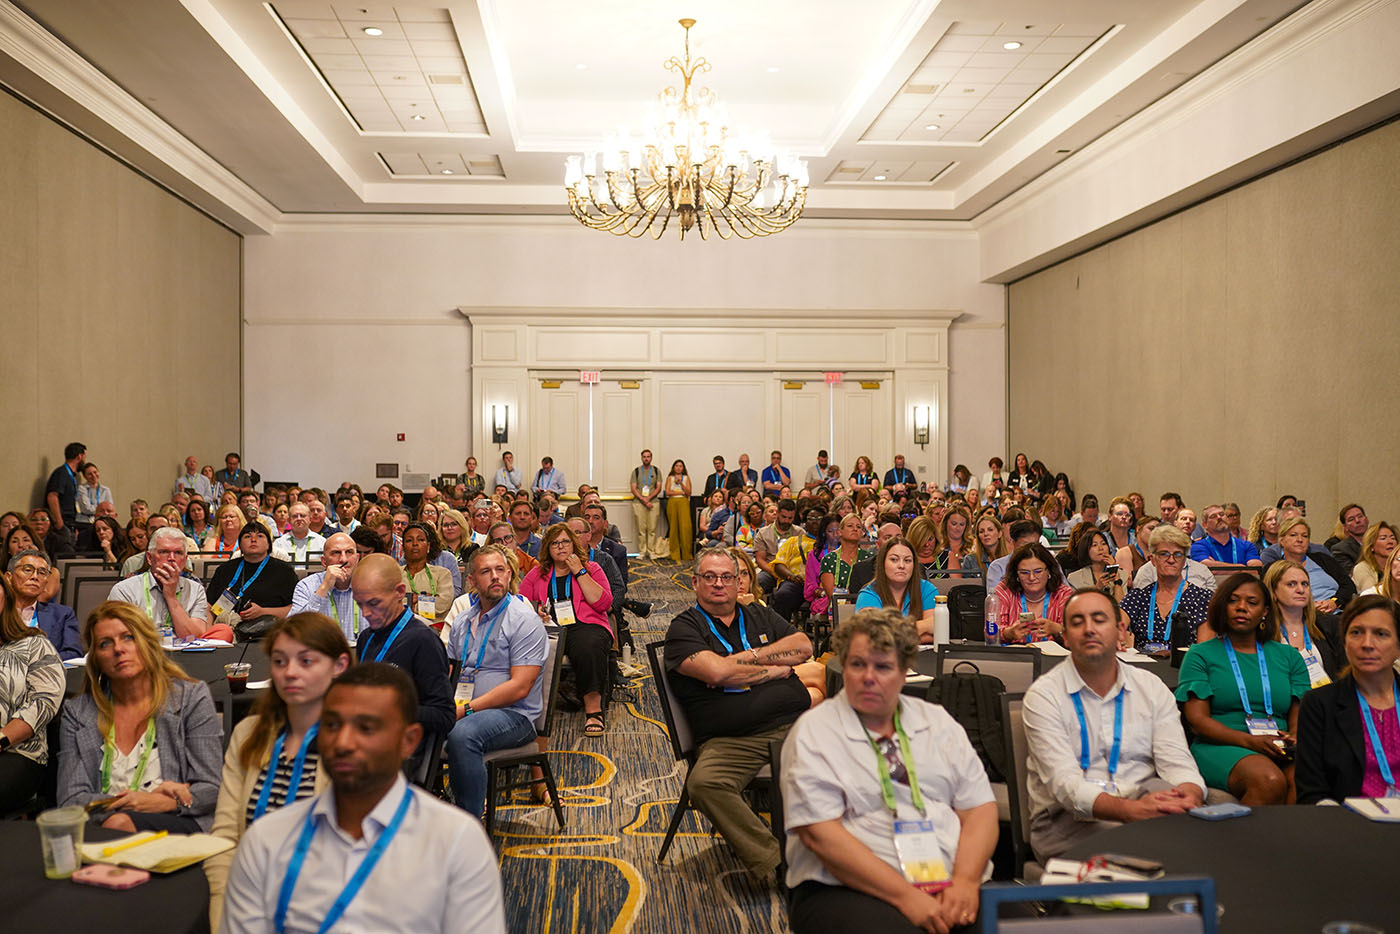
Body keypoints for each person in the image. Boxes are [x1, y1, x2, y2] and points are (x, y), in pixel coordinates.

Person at [219, 663, 506, 934]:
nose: (343, 742)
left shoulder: (455, 842)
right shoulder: (268, 839)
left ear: (409, 740)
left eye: (366, 728)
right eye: (331, 725)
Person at [782, 608, 996, 933]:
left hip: (947, 876)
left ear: (904, 671)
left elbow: (979, 808)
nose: (868, 677)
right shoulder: (814, 731)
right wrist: (906, 897)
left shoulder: (936, 721)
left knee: (1020, 922)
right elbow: (820, 835)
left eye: (883, 667)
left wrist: (966, 882)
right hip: (846, 888)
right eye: (857, 664)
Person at [664, 549, 814, 881]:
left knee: (858, 754)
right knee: (704, 784)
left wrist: (743, 663)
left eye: (727, 577)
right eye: (710, 577)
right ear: (695, 582)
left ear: (737, 581)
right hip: (731, 739)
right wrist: (775, 668)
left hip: (795, 724)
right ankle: (776, 861)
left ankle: (852, 853)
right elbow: (717, 673)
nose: (719, 584)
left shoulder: (758, 614)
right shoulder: (683, 628)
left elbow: (804, 646)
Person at [1023, 590, 1204, 861]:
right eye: (1077, 622)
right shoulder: (1044, 696)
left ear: (1120, 630)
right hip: (1069, 820)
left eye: (1099, 619)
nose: (1088, 629)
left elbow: (1176, 762)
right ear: (1065, 637)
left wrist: (1189, 795)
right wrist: (1130, 812)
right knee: (1156, 847)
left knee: (1204, 828)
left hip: (1145, 803)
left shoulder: (1151, 688)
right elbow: (1066, 786)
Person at [204, 614, 351, 929]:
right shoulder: (248, 735)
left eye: (306, 661)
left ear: (339, 666)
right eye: (280, 661)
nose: (290, 673)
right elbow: (225, 838)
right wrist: (226, 916)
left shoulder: (357, 745)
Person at [59, 600, 221, 831]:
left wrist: (167, 802)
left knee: (120, 823)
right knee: (118, 823)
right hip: (103, 826)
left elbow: (211, 789)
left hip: (180, 822)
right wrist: (133, 803)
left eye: (128, 637)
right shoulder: (78, 713)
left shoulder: (190, 699)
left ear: (146, 642)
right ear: (96, 659)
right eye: (105, 643)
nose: (118, 649)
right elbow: (71, 800)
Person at [1176, 574, 1310, 805]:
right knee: (1268, 779)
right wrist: (1251, 742)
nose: (1241, 608)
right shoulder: (1200, 655)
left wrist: (1295, 736)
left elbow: (1301, 710)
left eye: (1252, 602)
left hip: (1279, 745)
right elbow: (1198, 721)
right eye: (1233, 600)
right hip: (1221, 745)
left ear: (1265, 611)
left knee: (1304, 780)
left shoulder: (1289, 656)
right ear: (1222, 606)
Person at [444, 544, 548, 817]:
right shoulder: (463, 621)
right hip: (464, 708)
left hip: (514, 716)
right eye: (486, 571)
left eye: (500, 570)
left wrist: (465, 710)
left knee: (462, 735)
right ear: (472, 580)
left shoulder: (523, 619)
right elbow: (452, 673)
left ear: (510, 573)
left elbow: (519, 687)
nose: (495, 577)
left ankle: (471, 823)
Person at [1295, 596, 1400, 804]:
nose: (1367, 644)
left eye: (1380, 634)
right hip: (1348, 824)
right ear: (1344, 642)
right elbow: (1311, 791)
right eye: (1356, 633)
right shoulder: (1320, 704)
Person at [349, 555, 455, 754]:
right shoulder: (366, 637)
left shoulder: (423, 641)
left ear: (399, 592)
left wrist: (390, 709)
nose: (365, 613)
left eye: (373, 603)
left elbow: (444, 715)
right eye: (359, 604)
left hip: (401, 752)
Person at [519, 524, 612, 736]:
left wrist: (579, 571)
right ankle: (525, 708)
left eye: (565, 542)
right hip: (549, 625)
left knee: (587, 646)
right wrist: (536, 612)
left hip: (585, 624)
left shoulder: (591, 568)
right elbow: (521, 604)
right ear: (547, 548)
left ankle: (594, 710)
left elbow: (603, 604)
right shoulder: (537, 574)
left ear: (573, 543)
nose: (560, 547)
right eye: (555, 543)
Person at [0, 574, 65, 812]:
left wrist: (2, 738)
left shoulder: (34, 645)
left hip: (15, 752)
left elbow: (44, 702)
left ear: (5, 597)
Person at [108, 527, 234, 641]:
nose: (171, 558)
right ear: (149, 558)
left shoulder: (195, 590)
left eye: (178, 553)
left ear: (185, 560)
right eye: (164, 552)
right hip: (142, 657)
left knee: (224, 631)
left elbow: (194, 637)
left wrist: (171, 597)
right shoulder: (124, 590)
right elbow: (119, 638)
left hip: (187, 659)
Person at [1119, 526, 1213, 655]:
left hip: (1183, 667)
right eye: (1164, 554)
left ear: (1184, 561)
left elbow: (1205, 651)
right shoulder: (1138, 597)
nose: (1171, 560)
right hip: (1142, 668)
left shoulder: (1202, 598)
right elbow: (1114, 629)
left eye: (1178, 554)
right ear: (1152, 559)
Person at [207, 524, 299, 635]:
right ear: (240, 544)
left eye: (260, 536)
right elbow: (209, 606)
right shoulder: (225, 569)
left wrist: (263, 612)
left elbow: (295, 609)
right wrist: (206, 634)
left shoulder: (284, 571)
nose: (253, 540)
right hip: (227, 630)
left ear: (268, 544)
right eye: (247, 536)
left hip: (270, 633)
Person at [1263, 560, 1342, 686]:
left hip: (1327, 700)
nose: (1301, 590)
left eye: (1305, 584)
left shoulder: (1330, 624)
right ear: (1274, 591)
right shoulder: (1262, 630)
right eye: (1291, 584)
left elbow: (1345, 672)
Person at [988, 543, 1073, 645]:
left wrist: (1057, 629)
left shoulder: (1064, 593)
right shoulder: (1003, 591)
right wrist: (1008, 633)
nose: (1032, 578)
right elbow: (990, 633)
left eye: (1038, 571)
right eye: (1024, 573)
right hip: (1014, 657)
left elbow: (1076, 636)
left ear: (1049, 572)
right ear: (1016, 575)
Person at [855, 538, 938, 640]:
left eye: (907, 560)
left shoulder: (927, 589)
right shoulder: (868, 594)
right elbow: (876, 637)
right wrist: (922, 627)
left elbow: (936, 631)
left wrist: (893, 632)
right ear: (883, 563)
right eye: (894, 560)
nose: (901, 566)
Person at [1267, 516, 1355, 612]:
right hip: (1300, 616)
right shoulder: (1273, 569)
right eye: (1293, 535)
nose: (1300, 539)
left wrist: (1334, 602)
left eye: (1304, 536)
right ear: (1282, 540)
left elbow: (1348, 586)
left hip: (1337, 612)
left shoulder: (1323, 559)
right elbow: (1270, 598)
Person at [6, 550, 82, 659]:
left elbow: (73, 654)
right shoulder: (2, 612)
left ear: (46, 582)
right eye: (28, 570)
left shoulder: (62, 615)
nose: (35, 577)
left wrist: (37, 662)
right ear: (9, 577)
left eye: (42, 573)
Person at [290, 532, 363, 643]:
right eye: (336, 553)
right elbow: (292, 631)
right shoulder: (305, 586)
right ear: (324, 561)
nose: (343, 559)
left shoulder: (370, 586)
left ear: (357, 558)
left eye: (349, 552)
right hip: (320, 655)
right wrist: (324, 588)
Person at [1064, 529, 1127, 605]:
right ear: (1086, 550)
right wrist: (1097, 588)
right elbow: (1077, 606)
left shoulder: (1122, 575)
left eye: (1103, 544)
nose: (1101, 548)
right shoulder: (1074, 578)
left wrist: (1117, 580)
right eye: (1095, 545)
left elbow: (1122, 607)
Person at [1191, 504, 1262, 568]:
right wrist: (1241, 567)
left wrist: (1215, 565)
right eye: (1213, 516)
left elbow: (1256, 569)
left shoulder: (1246, 545)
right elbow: (1205, 566)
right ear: (1205, 525)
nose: (1219, 517)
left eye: (1222, 514)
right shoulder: (1198, 546)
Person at [754, 499, 802, 594]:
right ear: (777, 513)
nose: (786, 521)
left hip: (793, 572)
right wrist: (775, 572)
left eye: (790, 518)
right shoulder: (763, 533)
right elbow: (760, 560)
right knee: (758, 582)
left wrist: (789, 575)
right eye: (784, 517)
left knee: (787, 592)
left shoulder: (800, 533)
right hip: (770, 570)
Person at [984, 520, 1043, 594]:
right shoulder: (998, 567)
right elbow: (994, 599)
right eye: (1025, 545)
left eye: (1035, 545)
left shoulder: (1049, 563)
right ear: (1013, 542)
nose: (1030, 550)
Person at [45, 441, 87, 539]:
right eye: (85, 457)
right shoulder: (61, 473)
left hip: (70, 523)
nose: (84, 462)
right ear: (79, 456)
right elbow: (52, 496)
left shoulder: (71, 476)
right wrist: (59, 522)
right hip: (62, 524)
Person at [848, 521, 903, 596]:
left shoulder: (916, 568)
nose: (893, 541)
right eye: (888, 538)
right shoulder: (860, 571)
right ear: (877, 545)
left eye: (898, 537)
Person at [630, 449, 663, 561]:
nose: (646, 458)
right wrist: (643, 500)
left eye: (648, 456)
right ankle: (642, 551)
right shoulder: (636, 471)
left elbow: (658, 487)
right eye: (644, 456)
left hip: (653, 503)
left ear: (651, 458)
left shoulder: (656, 471)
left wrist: (648, 499)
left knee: (652, 529)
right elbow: (633, 488)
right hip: (638, 503)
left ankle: (651, 551)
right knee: (641, 529)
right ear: (641, 458)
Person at [1352, 522, 1397, 594]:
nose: (1390, 542)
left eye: (1393, 538)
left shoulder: (1397, 566)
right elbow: (1371, 597)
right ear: (1371, 546)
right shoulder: (1362, 568)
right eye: (1383, 538)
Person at [1326, 503, 1370, 574]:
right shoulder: (1340, 549)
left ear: (1367, 519)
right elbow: (1351, 576)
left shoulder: (1378, 542)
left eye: (1360, 516)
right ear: (1345, 527)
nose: (1357, 521)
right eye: (1351, 519)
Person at [664, 458, 693, 561]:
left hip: (683, 503)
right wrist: (680, 493)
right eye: (676, 466)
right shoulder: (670, 478)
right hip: (672, 502)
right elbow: (667, 492)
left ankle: (686, 554)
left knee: (685, 528)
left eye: (680, 466)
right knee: (673, 528)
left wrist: (681, 483)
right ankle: (674, 554)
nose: (678, 468)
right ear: (673, 467)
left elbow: (689, 492)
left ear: (683, 468)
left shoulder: (686, 478)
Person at [75, 461, 113, 538]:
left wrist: (99, 510)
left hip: (103, 523)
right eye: (89, 474)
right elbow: (86, 509)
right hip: (85, 523)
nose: (93, 475)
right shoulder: (81, 489)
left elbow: (110, 509)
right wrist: (101, 510)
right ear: (85, 477)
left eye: (95, 472)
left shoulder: (106, 490)